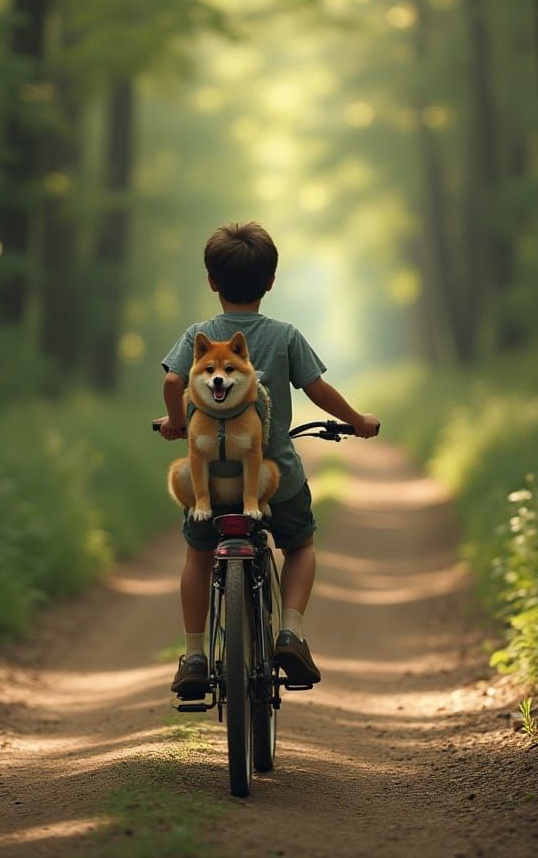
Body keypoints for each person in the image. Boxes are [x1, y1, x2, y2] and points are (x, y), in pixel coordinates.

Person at [157, 221, 379, 698]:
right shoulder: (285, 335)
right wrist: (357, 419)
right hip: (273, 478)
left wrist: (177, 421)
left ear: (211, 281)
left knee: (198, 555)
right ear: (270, 282)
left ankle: (195, 655)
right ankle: (290, 632)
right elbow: (317, 390)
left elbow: (175, 383)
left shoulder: (199, 335)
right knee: (299, 546)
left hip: (212, 481)